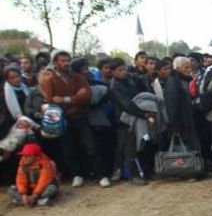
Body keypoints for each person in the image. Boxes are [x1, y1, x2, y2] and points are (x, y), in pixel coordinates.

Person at [39, 50, 102, 188]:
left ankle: (99, 174)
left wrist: (66, 99)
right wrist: (75, 98)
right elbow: (51, 100)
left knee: (91, 146)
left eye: (68, 60)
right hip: (64, 119)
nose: (66, 63)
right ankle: (77, 175)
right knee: (69, 149)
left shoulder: (78, 77)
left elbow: (87, 96)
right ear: (56, 62)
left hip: (81, 117)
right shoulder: (51, 80)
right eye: (62, 60)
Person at [108, 58, 150, 185]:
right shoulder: (114, 86)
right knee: (128, 148)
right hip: (125, 120)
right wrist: (143, 114)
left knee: (138, 145)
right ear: (113, 72)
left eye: (124, 68)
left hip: (136, 117)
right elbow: (126, 104)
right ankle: (133, 174)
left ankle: (142, 171)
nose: (123, 72)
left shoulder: (130, 80)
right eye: (120, 70)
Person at [78, 59, 115, 188]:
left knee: (103, 148)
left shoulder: (98, 85)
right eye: (83, 70)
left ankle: (104, 173)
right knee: (89, 149)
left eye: (86, 69)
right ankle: (92, 173)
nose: (86, 72)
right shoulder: (73, 87)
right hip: (80, 121)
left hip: (100, 121)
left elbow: (97, 100)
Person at [164, 56, 201, 153]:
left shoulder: (186, 81)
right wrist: (175, 126)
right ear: (178, 68)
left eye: (190, 67)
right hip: (181, 122)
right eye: (186, 68)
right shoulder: (173, 82)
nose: (189, 70)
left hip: (188, 120)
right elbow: (172, 105)